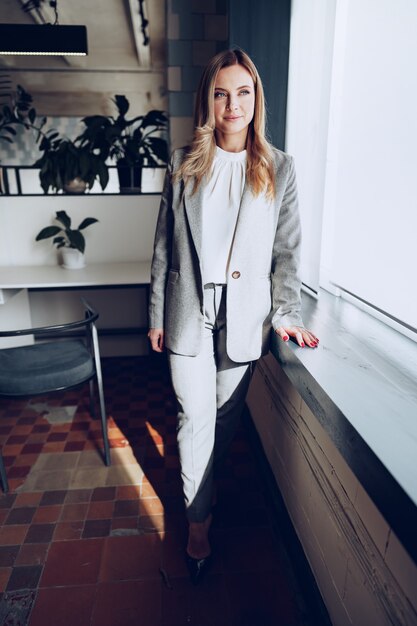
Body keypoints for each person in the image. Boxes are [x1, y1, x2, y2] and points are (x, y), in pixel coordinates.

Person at [148, 48, 319, 584]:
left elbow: (287, 255)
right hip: (188, 309)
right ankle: (198, 524)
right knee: (193, 416)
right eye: (222, 92)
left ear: (256, 100)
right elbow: (162, 250)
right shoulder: (182, 163)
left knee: (223, 419)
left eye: (243, 92)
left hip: (245, 316)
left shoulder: (280, 168)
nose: (232, 104)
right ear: (209, 99)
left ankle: (207, 480)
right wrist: (155, 311)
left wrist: (286, 313)